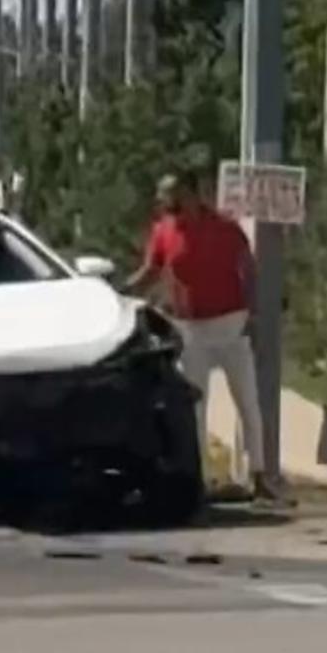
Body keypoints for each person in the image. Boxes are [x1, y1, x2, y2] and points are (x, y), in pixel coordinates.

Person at [129, 168, 274, 498]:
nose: (164, 201)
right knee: (195, 405)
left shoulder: (225, 228)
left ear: (193, 194)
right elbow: (151, 270)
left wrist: (253, 312)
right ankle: (199, 479)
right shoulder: (164, 231)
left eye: (172, 194)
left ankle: (259, 474)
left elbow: (247, 268)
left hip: (230, 323)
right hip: (189, 329)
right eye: (163, 195)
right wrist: (120, 291)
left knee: (247, 401)